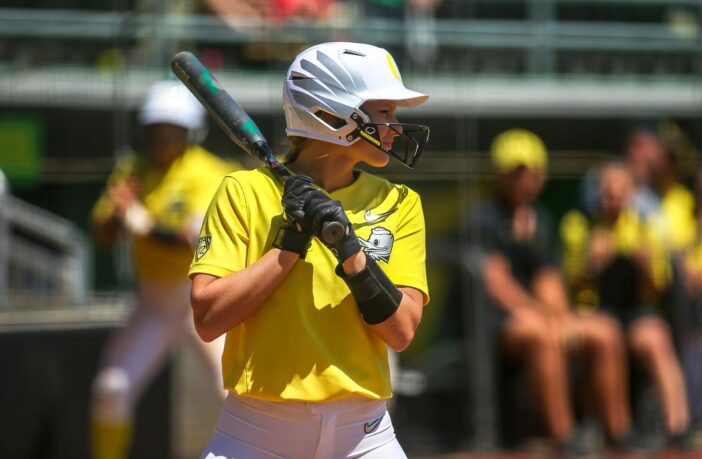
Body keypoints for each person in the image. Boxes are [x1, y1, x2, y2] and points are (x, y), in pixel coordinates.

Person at [189, 42, 431, 458]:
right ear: (332, 112)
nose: (394, 126)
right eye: (384, 112)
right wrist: (291, 242)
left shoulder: (400, 202)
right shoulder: (244, 192)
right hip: (256, 431)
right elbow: (209, 318)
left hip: (364, 435)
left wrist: (348, 247)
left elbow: (401, 331)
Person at [89, 80, 242, 459]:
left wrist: (140, 222)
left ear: (191, 132)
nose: (162, 138)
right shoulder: (134, 168)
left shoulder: (210, 173)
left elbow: (194, 239)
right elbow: (103, 232)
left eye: (172, 130)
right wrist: (117, 216)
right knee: (111, 389)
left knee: (236, 395)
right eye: (156, 129)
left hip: (205, 301)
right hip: (154, 302)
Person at [469, 129, 633, 456]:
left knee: (606, 331)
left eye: (530, 171)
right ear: (500, 175)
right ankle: (565, 436)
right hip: (498, 324)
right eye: (516, 172)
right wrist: (548, 318)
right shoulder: (484, 218)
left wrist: (562, 317)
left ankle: (619, 432)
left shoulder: (540, 220)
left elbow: (549, 279)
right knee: (544, 335)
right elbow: (497, 285)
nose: (524, 180)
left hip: (539, 315)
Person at [560, 161, 693, 450]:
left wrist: (646, 267)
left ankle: (678, 425)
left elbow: (661, 286)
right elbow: (570, 284)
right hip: (594, 311)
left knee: (655, 337)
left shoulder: (645, 227)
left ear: (630, 193)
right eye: (606, 190)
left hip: (634, 310)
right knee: (607, 335)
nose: (612, 196)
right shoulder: (578, 225)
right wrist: (591, 265)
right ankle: (618, 428)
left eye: (619, 190)